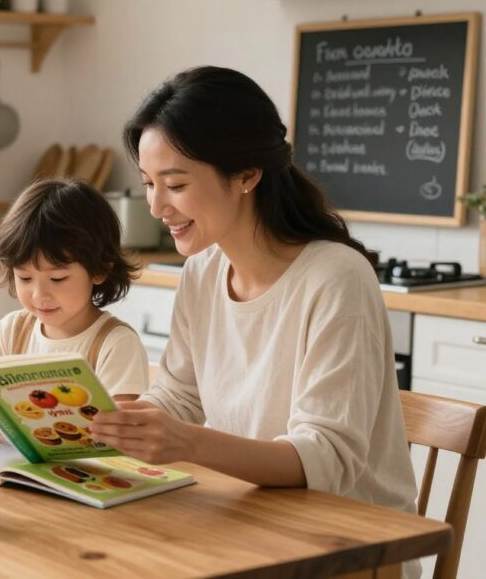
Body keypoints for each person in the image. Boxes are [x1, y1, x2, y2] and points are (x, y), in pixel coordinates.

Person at [90, 65, 419, 577]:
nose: (157, 206)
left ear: (246, 175)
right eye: (149, 184)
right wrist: (101, 418)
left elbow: (325, 459)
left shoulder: (335, 278)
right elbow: (179, 396)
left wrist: (187, 441)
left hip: (348, 552)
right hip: (247, 524)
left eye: (174, 184)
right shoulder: (201, 272)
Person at [0, 178, 150, 431]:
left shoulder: (115, 343)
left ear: (99, 270)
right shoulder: (12, 331)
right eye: (25, 278)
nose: (40, 295)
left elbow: (124, 437)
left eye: (57, 278)